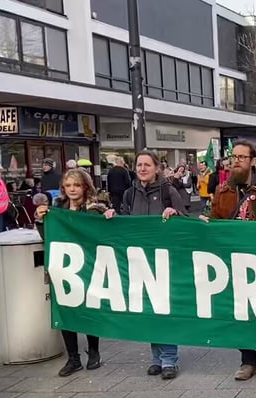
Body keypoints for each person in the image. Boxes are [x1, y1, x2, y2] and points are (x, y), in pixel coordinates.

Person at [205, 140, 256, 380]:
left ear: (252, 161)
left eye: (241, 157)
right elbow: (215, 220)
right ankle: (247, 360)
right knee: (239, 310)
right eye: (234, 157)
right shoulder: (223, 191)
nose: (236, 161)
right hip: (232, 259)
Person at [104, 150, 187, 380]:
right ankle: (156, 358)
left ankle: (169, 358)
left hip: (163, 260)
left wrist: (175, 213)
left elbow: (185, 222)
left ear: (157, 168)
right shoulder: (130, 194)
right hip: (140, 260)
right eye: (139, 165)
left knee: (164, 309)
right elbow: (124, 222)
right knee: (149, 310)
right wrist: (112, 216)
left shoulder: (168, 191)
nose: (142, 168)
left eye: (147, 165)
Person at [35, 169, 105, 376]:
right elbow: (48, 236)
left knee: (90, 309)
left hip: (88, 266)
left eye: (76, 185)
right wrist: (41, 220)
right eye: (68, 185)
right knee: (66, 310)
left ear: (85, 186)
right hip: (64, 267)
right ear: (63, 188)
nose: (72, 189)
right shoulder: (57, 208)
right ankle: (73, 358)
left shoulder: (94, 209)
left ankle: (94, 352)